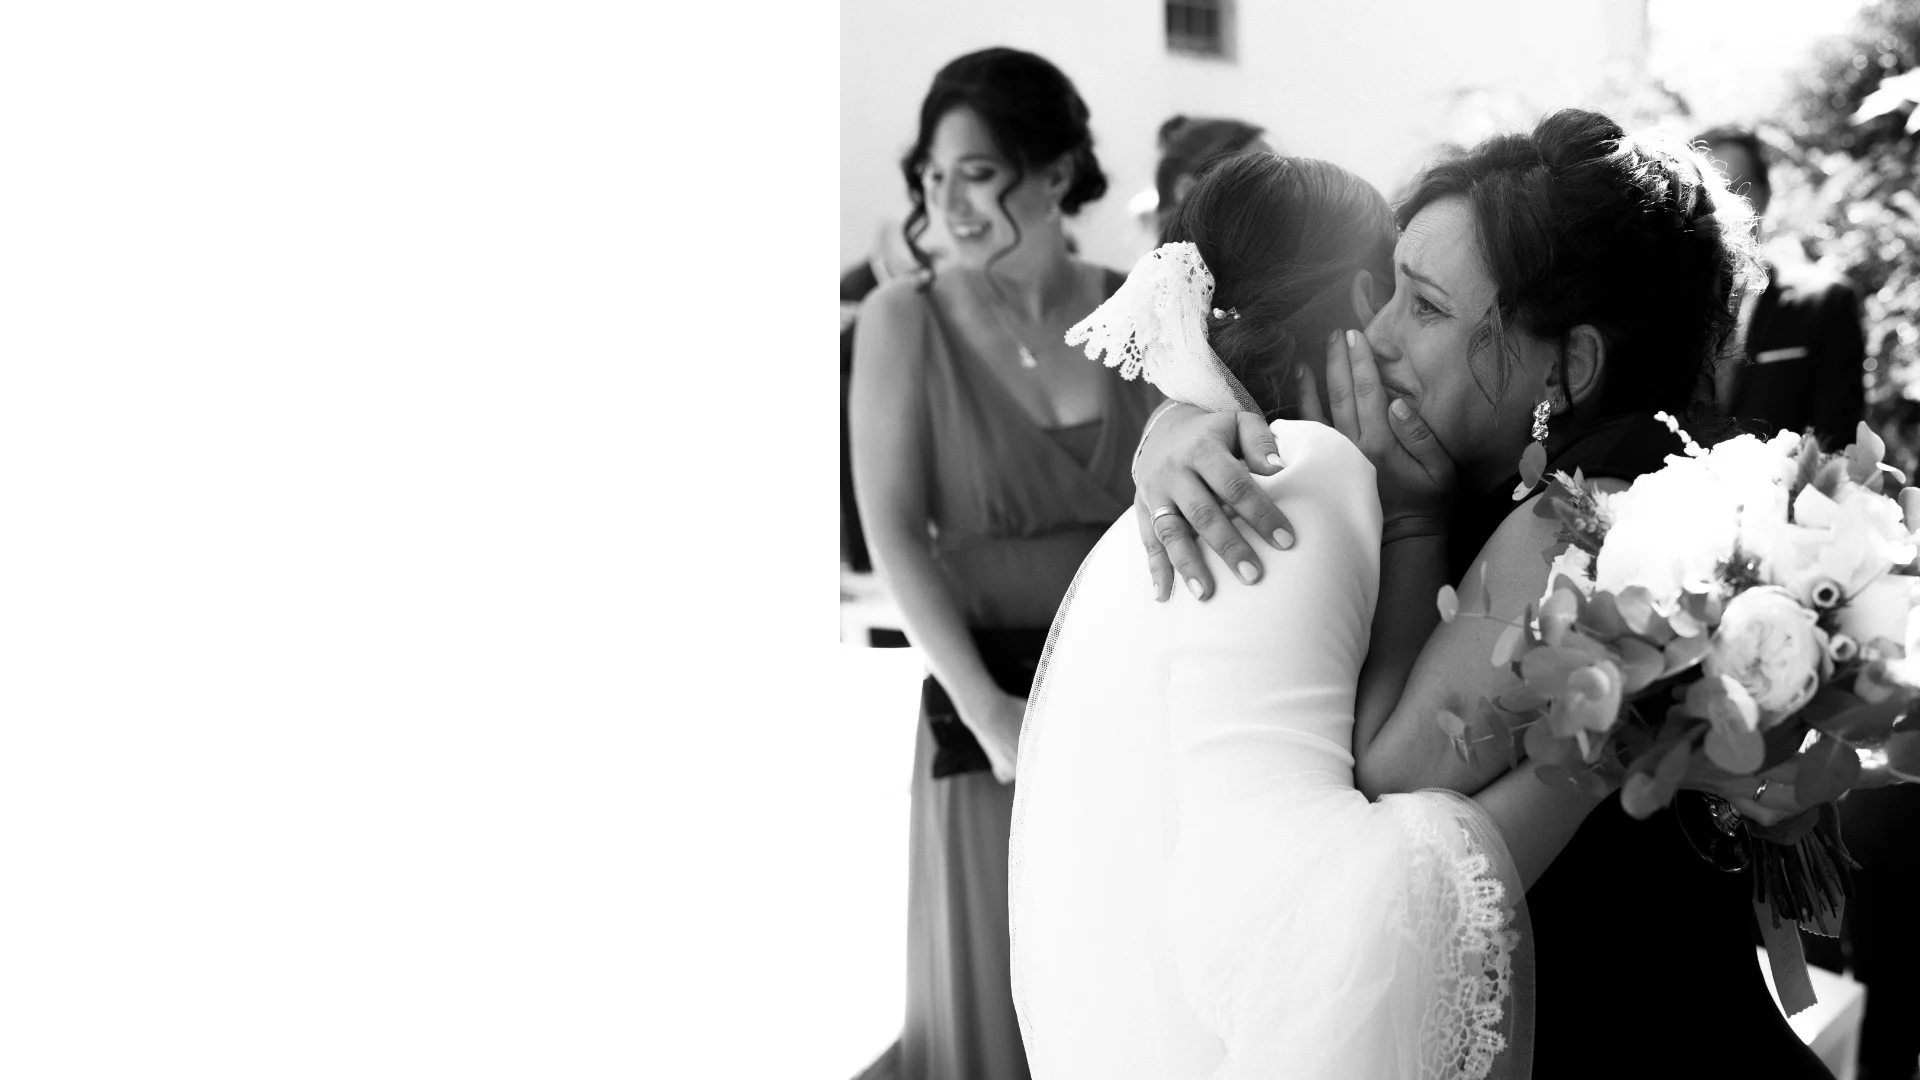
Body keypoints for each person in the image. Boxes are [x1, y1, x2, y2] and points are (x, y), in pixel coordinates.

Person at [1126, 110, 1842, 1078]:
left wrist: (1411, 521)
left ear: (1569, 367)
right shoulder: (1542, 476)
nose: (1376, 333)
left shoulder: (1587, 521)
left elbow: (1392, 786)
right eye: (1389, 289)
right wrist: (1181, 420)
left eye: (1423, 307)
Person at [1012, 152, 1546, 1080]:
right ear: (1365, 294)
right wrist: (1586, 765)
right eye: (1407, 295)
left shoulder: (1159, 510)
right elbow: (1326, 903)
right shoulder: (1301, 473)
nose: (1402, 330)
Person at [847, 46, 1161, 1080]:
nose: (945, 203)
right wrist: (988, 714)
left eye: (975, 173)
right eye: (932, 176)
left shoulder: (1136, 309)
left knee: (1127, 996)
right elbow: (894, 531)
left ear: (1056, 171)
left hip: (1133, 716)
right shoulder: (903, 320)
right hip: (991, 724)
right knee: (1003, 995)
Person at [1698, 125, 1868, 450]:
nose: (1722, 207)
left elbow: (1838, 439)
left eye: (1734, 189)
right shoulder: (1666, 313)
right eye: (1708, 194)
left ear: (1765, 194)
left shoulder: (1825, 303)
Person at [1153, 116, 1271, 240]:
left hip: (1254, 149)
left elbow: (1163, 217)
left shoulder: (1171, 161)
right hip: (1262, 145)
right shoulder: (1207, 130)